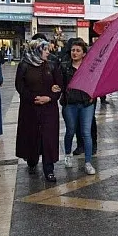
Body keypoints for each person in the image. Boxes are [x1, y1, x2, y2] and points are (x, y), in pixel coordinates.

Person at [16, 40, 63, 182]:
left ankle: (49, 169)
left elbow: (58, 85)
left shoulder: (52, 65)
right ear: (35, 50)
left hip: (49, 108)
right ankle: (32, 161)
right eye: (45, 49)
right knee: (31, 135)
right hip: (30, 108)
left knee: (48, 137)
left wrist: (49, 98)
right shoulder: (24, 65)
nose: (48, 52)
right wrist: (34, 98)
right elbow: (19, 86)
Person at [60, 40, 97, 175]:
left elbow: (95, 82)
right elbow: (59, 83)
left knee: (86, 132)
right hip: (70, 104)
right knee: (70, 130)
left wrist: (94, 94)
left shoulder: (90, 67)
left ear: (84, 53)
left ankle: (88, 162)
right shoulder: (64, 66)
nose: (74, 53)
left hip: (86, 103)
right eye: (73, 50)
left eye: (78, 51)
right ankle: (68, 154)